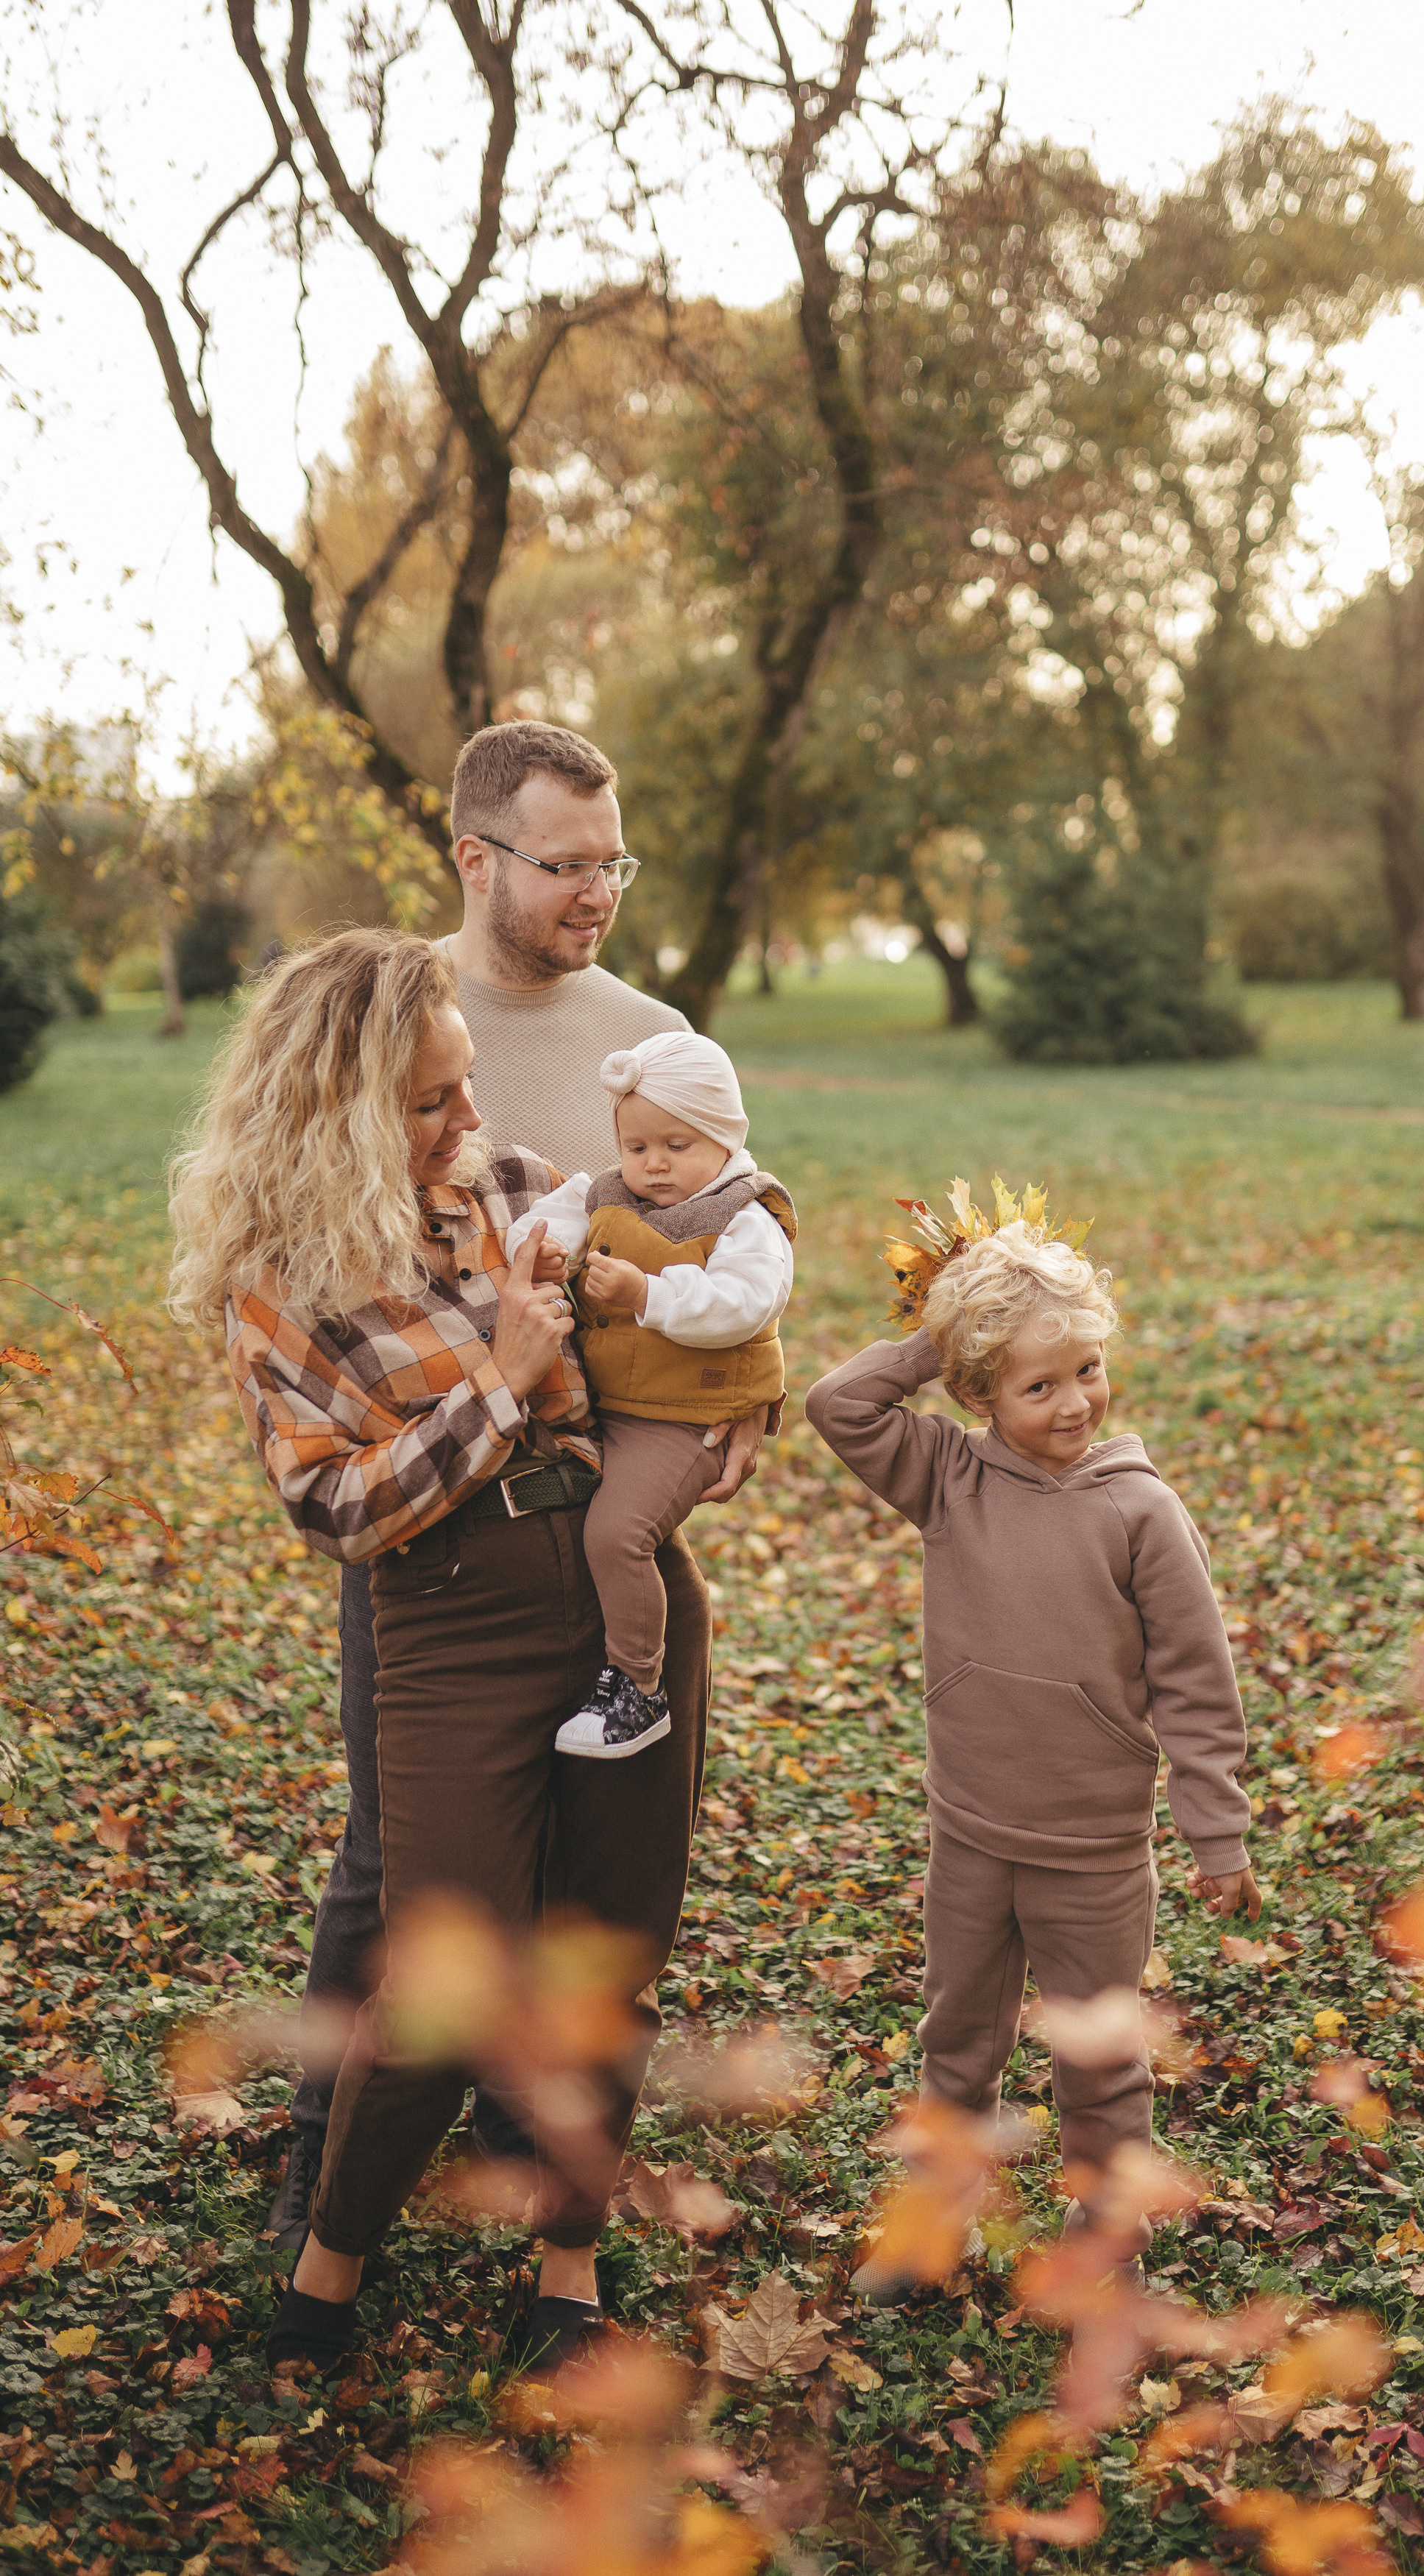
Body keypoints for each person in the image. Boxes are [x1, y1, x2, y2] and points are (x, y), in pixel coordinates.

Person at [258, 722, 768, 2271]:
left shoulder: (644, 1034)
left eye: (615, 861)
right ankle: (323, 2156)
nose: (597, 890)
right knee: (394, 1862)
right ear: (477, 857)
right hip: (435, 1552)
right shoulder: (378, 1011)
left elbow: (706, 1255)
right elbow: (315, 1369)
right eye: (565, 862)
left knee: (592, 1865)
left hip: (597, 1499)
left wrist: (732, 1411)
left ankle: (517, 2159)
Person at [170, 927, 668, 2369]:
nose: (473, 1127)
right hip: (448, 1608)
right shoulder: (282, 1280)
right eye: (432, 1100)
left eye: (467, 1087)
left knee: (609, 1943)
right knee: (436, 1956)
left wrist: (710, 1420)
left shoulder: (514, 1191)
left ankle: (563, 2276)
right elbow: (335, 1506)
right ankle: (326, 2268)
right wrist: (501, 1388)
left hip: (612, 1581)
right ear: (334, 1114)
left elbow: (634, 1365)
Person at [803, 1220, 1259, 2282]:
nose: (1072, 1404)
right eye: (1036, 1387)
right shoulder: (944, 1478)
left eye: (1085, 1371)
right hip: (970, 1834)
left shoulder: (1140, 1512)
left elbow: (1195, 1681)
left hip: (1093, 1851)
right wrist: (945, 1324)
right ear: (977, 1397)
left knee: (1096, 2062)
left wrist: (1215, 1829)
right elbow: (838, 1405)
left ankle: (1102, 2244)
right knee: (956, 2042)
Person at [504, 1030, 795, 1758]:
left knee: (617, 1533)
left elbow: (744, 1302)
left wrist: (647, 1292)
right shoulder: (612, 1189)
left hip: (687, 1418)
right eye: (635, 1147)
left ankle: (639, 1687)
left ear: (726, 1138)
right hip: (616, 1408)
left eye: (676, 1144)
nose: (652, 1165)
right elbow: (558, 1214)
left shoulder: (744, 1215)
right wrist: (538, 1248)